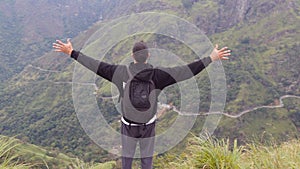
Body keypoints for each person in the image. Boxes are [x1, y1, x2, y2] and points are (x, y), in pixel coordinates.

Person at [53, 39, 231, 169]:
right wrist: (211, 58)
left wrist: (72, 52)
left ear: (132, 56)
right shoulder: (158, 75)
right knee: (147, 161)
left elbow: (96, 66)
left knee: (127, 161)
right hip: (148, 126)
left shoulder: (120, 72)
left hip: (128, 126)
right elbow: (187, 71)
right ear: (148, 56)